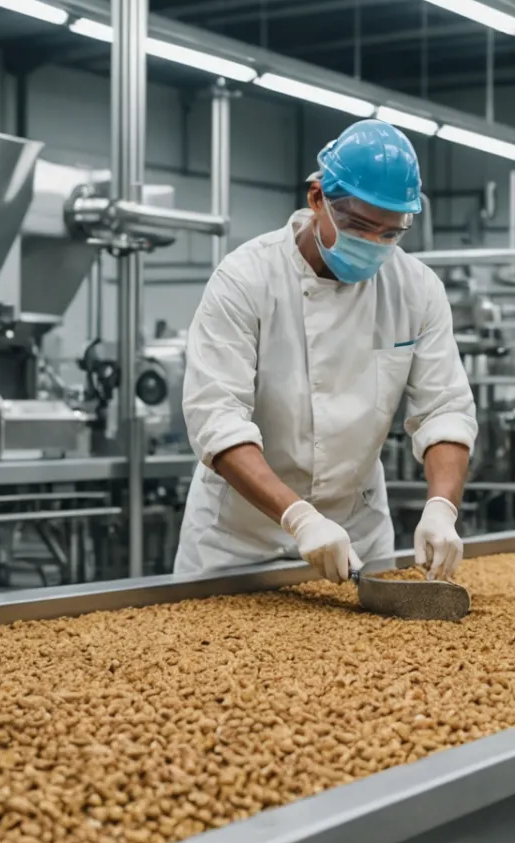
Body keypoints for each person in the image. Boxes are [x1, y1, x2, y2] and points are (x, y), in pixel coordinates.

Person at [176, 119, 476, 584]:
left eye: (391, 233)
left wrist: (441, 508)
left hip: (357, 539)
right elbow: (216, 420)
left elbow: (444, 411)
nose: (374, 246)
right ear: (317, 198)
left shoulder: (416, 289)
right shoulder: (245, 279)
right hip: (238, 542)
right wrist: (300, 518)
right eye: (359, 227)